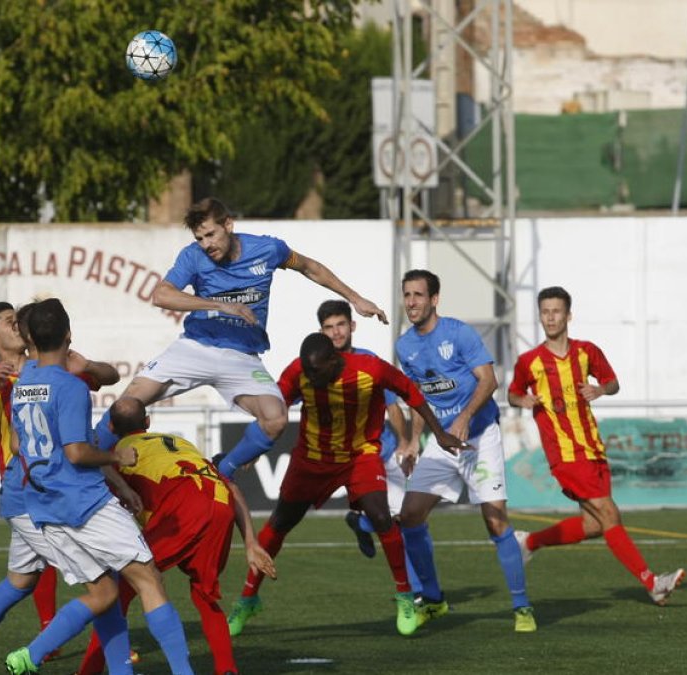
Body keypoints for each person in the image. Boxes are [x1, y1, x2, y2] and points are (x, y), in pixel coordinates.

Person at [91, 197, 388, 479]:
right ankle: (85, 464)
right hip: (194, 348)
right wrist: (220, 305)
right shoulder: (193, 257)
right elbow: (161, 294)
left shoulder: (268, 250)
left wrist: (356, 298)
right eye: (200, 238)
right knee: (126, 405)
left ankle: (224, 472)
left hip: (241, 357)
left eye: (210, 235)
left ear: (228, 225)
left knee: (275, 419)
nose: (206, 245)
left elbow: (310, 267)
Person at [226, 333, 466, 638]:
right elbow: (272, 412)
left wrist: (439, 434)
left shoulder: (370, 369)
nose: (311, 378)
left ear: (333, 360)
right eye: (307, 372)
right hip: (312, 458)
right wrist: (253, 449)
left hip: (359, 455)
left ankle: (406, 597)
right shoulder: (298, 372)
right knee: (279, 524)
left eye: (316, 372)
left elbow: (410, 392)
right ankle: (248, 599)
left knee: (382, 517)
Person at [4, 298, 193, 675]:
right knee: (148, 579)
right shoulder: (71, 387)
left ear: (31, 340)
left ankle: (33, 655)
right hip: (84, 502)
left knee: (104, 593)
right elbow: (76, 452)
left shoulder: (21, 384)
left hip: (47, 507)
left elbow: (15, 446)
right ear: (69, 334)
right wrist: (115, 459)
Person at [0, 301, 120, 675]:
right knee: (104, 583)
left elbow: (110, 376)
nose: (16, 324)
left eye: (18, 320)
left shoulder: (51, 366)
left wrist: (89, 367)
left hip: (47, 493)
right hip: (29, 493)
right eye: (7, 321)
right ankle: (92, 665)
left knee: (20, 581)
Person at [507, 286, 685, 604]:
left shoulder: (587, 351)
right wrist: (524, 399)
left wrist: (600, 390)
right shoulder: (529, 361)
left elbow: (613, 382)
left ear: (568, 315)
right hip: (563, 453)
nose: (550, 317)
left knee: (593, 524)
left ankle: (529, 542)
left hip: (593, 449)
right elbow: (512, 393)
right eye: (545, 312)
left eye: (556, 311)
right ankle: (653, 582)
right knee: (608, 513)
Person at [76, 396, 277, 675]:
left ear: (110, 425)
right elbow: (229, 486)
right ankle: (227, 670)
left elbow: (101, 498)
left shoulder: (118, 452)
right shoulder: (181, 443)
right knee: (204, 594)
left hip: (183, 512)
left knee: (118, 590)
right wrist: (251, 542)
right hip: (220, 508)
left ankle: (88, 670)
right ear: (148, 422)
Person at [394, 269, 535, 632]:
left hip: (478, 437)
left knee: (495, 520)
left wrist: (465, 418)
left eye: (418, 295)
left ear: (434, 299)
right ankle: (435, 600)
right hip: (441, 442)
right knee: (409, 515)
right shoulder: (404, 346)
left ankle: (522, 608)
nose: (411, 302)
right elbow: (419, 400)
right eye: (407, 295)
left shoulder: (458, 333)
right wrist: (412, 441)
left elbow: (490, 380)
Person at [316, 300, 420, 595]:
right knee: (398, 521)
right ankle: (417, 593)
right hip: (353, 460)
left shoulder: (370, 360)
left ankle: (362, 525)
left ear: (352, 326)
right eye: (329, 327)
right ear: (321, 332)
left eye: (340, 325)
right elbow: (288, 401)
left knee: (404, 518)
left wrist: (403, 441)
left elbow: (393, 405)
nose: (336, 333)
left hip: (385, 450)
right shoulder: (317, 367)